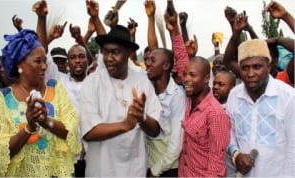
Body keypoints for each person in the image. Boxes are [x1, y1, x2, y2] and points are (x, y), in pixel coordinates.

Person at [79, 25, 162, 177]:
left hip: (134, 171)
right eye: (105, 52)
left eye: (115, 52)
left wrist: (141, 117)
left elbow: (155, 130)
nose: (109, 58)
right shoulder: (92, 83)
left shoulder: (142, 82)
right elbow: (89, 132)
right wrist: (126, 125)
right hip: (101, 171)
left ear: (129, 53)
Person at [0, 29, 81, 177]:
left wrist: (46, 121)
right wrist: (29, 127)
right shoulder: (2, 99)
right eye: (38, 61)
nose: (44, 66)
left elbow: (71, 132)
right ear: (19, 65)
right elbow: (1, 151)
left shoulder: (56, 89)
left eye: (44, 61)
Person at [164, 1, 231, 176]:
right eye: (185, 74)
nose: (186, 78)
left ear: (206, 79)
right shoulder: (190, 99)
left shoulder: (215, 114)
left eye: (192, 75)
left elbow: (217, 165)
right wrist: (174, 30)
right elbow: (181, 60)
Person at [226, 39, 295, 177]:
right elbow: (228, 132)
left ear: (268, 67)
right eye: (245, 68)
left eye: (257, 67)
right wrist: (236, 154)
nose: (251, 74)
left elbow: (293, 148)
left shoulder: (288, 97)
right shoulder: (234, 95)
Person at [145, 48, 186, 177]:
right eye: (147, 59)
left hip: (166, 169)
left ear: (166, 65)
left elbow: (176, 144)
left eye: (153, 60)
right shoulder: (147, 89)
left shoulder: (177, 96)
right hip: (147, 164)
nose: (147, 63)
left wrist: (155, 171)